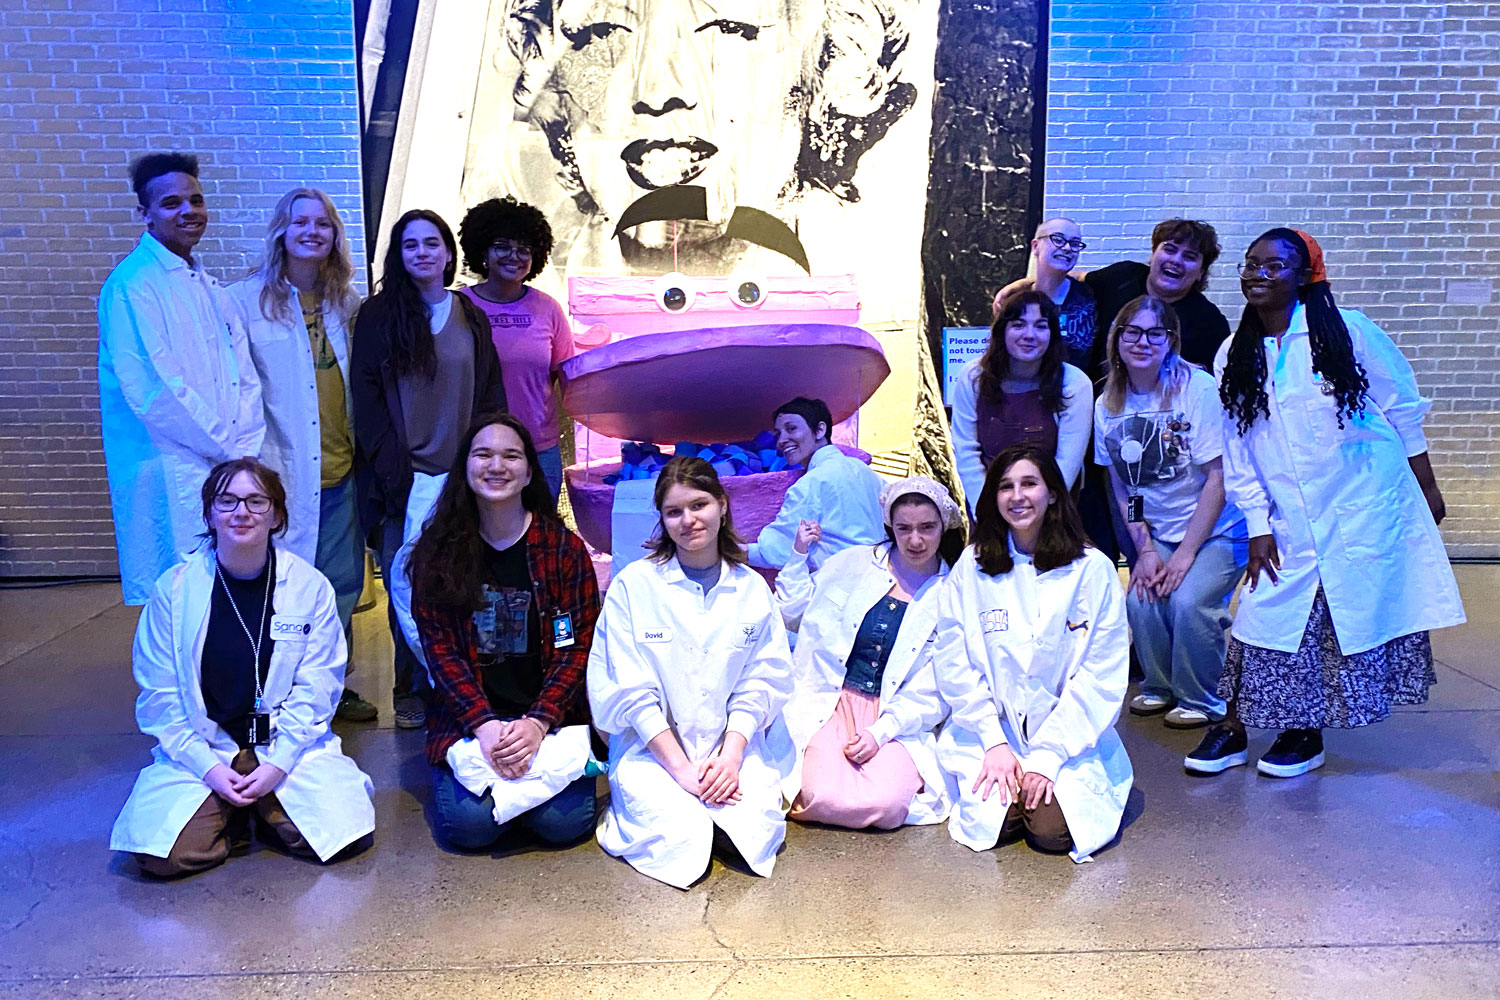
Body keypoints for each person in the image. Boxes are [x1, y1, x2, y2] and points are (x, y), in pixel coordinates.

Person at [1186, 228, 1465, 777]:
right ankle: (1233, 727)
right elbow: (1238, 449)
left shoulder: (1347, 331)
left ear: (1304, 275)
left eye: (1274, 265)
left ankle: (1303, 734)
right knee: (1262, 617)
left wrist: (1427, 486)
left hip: (1362, 504)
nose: (1257, 275)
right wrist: (1259, 522)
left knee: (1334, 624)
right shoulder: (1233, 353)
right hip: (1288, 517)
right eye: (1250, 264)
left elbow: (1401, 407)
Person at [110, 458, 375, 876]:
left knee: (342, 837)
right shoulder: (173, 591)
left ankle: (261, 801)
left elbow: (318, 686)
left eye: (256, 501)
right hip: (206, 746)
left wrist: (278, 764)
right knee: (166, 856)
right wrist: (210, 769)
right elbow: (160, 695)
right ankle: (233, 805)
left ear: (277, 515)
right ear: (210, 515)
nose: (241, 512)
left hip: (282, 744)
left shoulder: (309, 587)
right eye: (227, 501)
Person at [589, 457, 795, 888]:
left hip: (728, 746)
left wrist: (731, 755)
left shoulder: (751, 588)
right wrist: (682, 770)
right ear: (662, 521)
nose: (689, 520)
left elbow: (763, 679)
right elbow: (629, 688)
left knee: (752, 831)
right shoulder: (635, 586)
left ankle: (717, 810)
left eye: (699, 505)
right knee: (681, 838)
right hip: (655, 750)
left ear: (722, 505)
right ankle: (678, 812)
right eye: (674, 511)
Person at [409, 414, 602, 849]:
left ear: (530, 471)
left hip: (548, 719)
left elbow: (577, 649)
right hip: (470, 721)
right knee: (470, 828)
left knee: (564, 826)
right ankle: (496, 783)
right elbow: (441, 653)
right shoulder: (438, 553)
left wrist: (537, 723)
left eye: (511, 455)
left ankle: (523, 789)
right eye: (483, 454)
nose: (497, 465)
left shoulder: (563, 551)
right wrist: (484, 725)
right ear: (465, 467)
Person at [933, 445, 1132, 861]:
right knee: (999, 818)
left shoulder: (1091, 569)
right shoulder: (973, 566)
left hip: (1067, 733)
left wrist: (1048, 755)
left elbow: (1101, 674)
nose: (1017, 496)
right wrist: (992, 742)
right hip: (994, 732)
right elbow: (954, 659)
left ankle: (1051, 784)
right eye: (1005, 486)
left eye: (1029, 484)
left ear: (1053, 493)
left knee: (1052, 834)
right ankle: (1010, 780)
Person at [352, 209, 507, 729]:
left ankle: (470, 684)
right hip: (406, 479)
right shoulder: (379, 317)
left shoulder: (469, 314)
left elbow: (489, 393)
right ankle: (411, 686)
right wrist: (392, 468)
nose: (423, 252)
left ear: (448, 253)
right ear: (399, 255)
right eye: (411, 244)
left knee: (470, 583)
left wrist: (490, 460)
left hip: (464, 479)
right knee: (407, 585)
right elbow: (368, 401)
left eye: (432, 243)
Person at [231, 187, 376, 723]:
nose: (312, 232)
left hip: (341, 473)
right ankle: (275, 694)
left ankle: (331, 689)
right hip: (282, 475)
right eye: (301, 223)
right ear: (282, 232)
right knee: (279, 591)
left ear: (335, 236)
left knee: (340, 589)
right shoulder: (244, 301)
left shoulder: (346, 303)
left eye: (323, 224)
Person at [97, 152, 264, 605]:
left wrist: (244, 448)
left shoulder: (208, 287)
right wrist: (229, 450)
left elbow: (243, 377)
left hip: (226, 463)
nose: (188, 211)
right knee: (180, 599)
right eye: (171, 203)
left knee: (227, 594)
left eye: (196, 200)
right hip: (173, 467)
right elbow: (156, 390)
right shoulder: (133, 285)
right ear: (144, 213)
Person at [774, 477, 964, 830]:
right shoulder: (853, 563)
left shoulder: (952, 593)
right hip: (830, 703)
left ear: (944, 525)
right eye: (904, 528)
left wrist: (882, 731)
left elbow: (938, 685)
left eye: (927, 527)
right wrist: (798, 556)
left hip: (896, 715)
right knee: (820, 795)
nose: (915, 540)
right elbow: (792, 612)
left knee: (887, 804)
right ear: (890, 526)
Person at [1093, 296, 1247, 729]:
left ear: (1170, 340)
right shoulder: (1108, 405)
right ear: (1117, 339)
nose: (1142, 341)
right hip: (1160, 528)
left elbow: (1217, 479)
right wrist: (1144, 550)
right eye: (1132, 332)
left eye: (1154, 333)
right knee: (1141, 600)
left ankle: (1201, 698)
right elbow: (1127, 486)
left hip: (1217, 527)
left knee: (1189, 601)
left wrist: (1185, 554)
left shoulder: (1196, 390)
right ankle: (1160, 687)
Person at [457, 197, 576, 497]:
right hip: (476, 450)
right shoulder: (459, 307)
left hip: (538, 450)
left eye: (524, 249)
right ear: (482, 250)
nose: (514, 256)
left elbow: (566, 379)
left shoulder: (548, 309)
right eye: (502, 246)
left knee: (540, 538)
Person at [950, 289, 1092, 518]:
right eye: (1018, 324)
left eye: (1040, 326)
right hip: (989, 507)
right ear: (1001, 331)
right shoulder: (972, 377)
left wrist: (1035, 517)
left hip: (1053, 510)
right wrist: (987, 513)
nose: (1029, 334)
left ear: (1052, 334)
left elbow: (1067, 465)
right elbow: (966, 452)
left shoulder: (1075, 384)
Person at [746, 397, 886, 573]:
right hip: (882, 578)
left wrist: (723, 551)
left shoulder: (811, 483)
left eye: (791, 429)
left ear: (820, 430)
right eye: (778, 434)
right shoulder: (864, 470)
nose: (782, 440)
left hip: (842, 584)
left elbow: (779, 550)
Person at [1081, 219, 1231, 370]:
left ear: (1201, 272)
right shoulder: (1120, 277)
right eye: (1170, 250)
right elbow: (1077, 278)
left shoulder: (1210, 324)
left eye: (1189, 257)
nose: (1176, 260)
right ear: (1153, 254)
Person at [994, 218, 1100, 378]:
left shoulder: (1093, 296)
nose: (1067, 248)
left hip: (1077, 395)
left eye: (1075, 243)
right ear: (1035, 246)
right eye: (1058, 239)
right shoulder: (1014, 301)